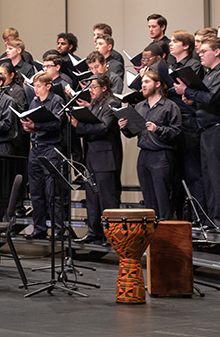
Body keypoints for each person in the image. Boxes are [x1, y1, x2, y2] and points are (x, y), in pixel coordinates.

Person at [174, 37, 220, 233]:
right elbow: (204, 98)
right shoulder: (209, 74)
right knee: (209, 178)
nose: (199, 54)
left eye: (204, 51)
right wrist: (192, 98)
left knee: (219, 178)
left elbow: (210, 97)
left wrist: (187, 90)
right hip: (207, 129)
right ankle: (214, 219)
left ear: (217, 52)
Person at [119, 71, 181, 220]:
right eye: (142, 83)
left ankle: (165, 230)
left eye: (147, 82)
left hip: (161, 155)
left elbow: (177, 132)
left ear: (157, 84)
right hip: (144, 154)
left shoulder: (169, 106)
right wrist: (124, 127)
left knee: (162, 197)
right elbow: (133, 132)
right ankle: (152, 233)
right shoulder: (140, 106)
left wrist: (157, 128)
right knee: (148, 196)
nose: (143, 86)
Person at [71, 74, 122, 244]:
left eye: (94, 87)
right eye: (89, 87)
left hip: (106, 157)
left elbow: (104, 128)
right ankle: (94, 232)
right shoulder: (93, 104)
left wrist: (80, 125)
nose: (90, 91)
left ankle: (112, 235)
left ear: (104, 88)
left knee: (108, 199)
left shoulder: (112, 103)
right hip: (91, 157)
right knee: (92, 198)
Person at [21, 73, 66, 239]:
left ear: (48, 85)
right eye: (34, 86)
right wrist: (29, 127)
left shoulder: (56, 101)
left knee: (52, 191)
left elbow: (58, 123)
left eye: (39, 86)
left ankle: (57, 229)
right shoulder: (34, 101)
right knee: (36, 191)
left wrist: (36, 125)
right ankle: (39, 228)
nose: (36, 89)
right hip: (36, 147)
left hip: (51, 148)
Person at [167, 30, 206, 220]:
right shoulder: (171, 65)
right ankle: (182, 218)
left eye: (176, 41)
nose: (171, 43)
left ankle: (198, 217)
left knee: (193, 173)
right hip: (174, 120)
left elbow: (187, 90)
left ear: (186, 46)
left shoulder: (194, 65)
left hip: (188, 121)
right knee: (176, 175)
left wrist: (171, 88)